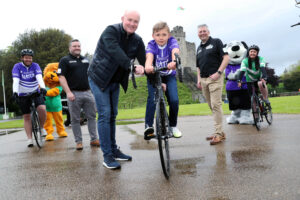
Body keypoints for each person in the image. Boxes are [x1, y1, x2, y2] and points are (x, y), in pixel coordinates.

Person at [88, 10, 145, 169]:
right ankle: (107, 156)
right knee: (105, 114)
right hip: (98, 78)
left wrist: (156, 78)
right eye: (130, 20)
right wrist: (132, 66)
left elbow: (146, 61)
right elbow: (115, 52)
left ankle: (113, 150)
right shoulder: (110, 31)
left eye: (136, 22)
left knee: (113, 115)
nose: (132, 24)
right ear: (123, 19)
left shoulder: (137, 40)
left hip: (115, 81)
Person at [58, 39, 99, 150]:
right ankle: (79, 142)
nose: (77, 48)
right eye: (74, 46)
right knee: (75, 119)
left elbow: (92, 74)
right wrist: (68, 92)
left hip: (88, 92)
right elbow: (61, 77)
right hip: (73, 94)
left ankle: (94, 139)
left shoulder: (85, 60)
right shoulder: (64, 60)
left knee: (92, 117)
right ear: (69, 48)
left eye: (79, 46)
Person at [144, 21, 182, 140]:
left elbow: (175, 51)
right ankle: (148, 127)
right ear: (153, 36)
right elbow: (149, 57)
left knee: (174, 100)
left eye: (164, 34)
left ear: (169, 35)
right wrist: (148, 66)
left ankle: (173, 126)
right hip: (155, 75)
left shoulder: (172, 41)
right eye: (158, 34)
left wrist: (174, 61)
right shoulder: (151, 45)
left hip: (169, 74)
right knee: (152, 98)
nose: (161, 37)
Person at [196, 24, 230, 145]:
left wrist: (219, 72)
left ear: (208, 32)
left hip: (215, 78)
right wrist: (198, 79)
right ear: (198, 34)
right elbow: (198, 66)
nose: (202, 33)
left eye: (204, 31)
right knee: (212, 106)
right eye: (200, 32)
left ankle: (218, 134)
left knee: (216, 105)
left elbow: (226, 58)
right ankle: (220, 132)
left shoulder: (216, 42)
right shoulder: (199, 48)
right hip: (204, 80)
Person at [12, 49, 47, 147]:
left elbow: (39, 77)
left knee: (42, 109)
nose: (28, 59)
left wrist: (43, 88)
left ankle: (41, 127)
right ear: (22, 58)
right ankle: (29, 139)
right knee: (26, 117)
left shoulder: (35, 65)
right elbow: (16, 80)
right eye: (26, 57)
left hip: (35, 92)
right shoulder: (17, 66)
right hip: (22, 94)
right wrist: (15, 92)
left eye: (30, 58)